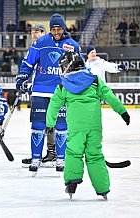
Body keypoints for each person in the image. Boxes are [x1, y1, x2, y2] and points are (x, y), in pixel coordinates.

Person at [46, 50, 130, 200]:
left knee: (73, 153)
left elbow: (54, 105)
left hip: (75, 127)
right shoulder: (95, 80)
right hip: (94, 126)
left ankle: (71, 183)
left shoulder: (63, 86)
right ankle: (103, 189)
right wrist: (123, 112)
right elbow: (109, 96)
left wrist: (49, 124)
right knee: (95, 155)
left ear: (68, 66)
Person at [16, 13, 81, 173]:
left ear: (64, 28)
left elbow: (79, 69)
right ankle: (36, 158)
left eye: (59, 28)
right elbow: (28, 62)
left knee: (62, 127)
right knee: (37, 126)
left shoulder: (73, 45)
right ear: (50, 29)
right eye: (53, 29)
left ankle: (60, 159)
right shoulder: (41, 42)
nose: (56, 31)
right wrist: (23, 77)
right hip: (40, 91)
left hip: (61, 93)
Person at [22, 23, 56, 167]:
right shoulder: (36, 47)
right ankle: (37, 154)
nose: (34, 34)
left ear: (44, 33)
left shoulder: (51, 45)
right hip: (40, 91)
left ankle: (52, 152)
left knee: (52, 122)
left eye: (37, 31)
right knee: (38, 123)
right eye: (32, 32)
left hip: (54, 92)